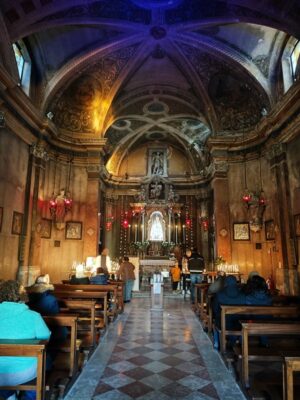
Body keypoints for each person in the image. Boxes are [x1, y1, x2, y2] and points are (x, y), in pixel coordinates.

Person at [0, 280, 51, 400]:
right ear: (22, 295)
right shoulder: (33, 316)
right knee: (46, 359)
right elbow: (45, 339)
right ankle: (30, 395)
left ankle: (9, 395)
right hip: (22, 372)